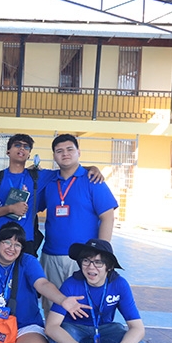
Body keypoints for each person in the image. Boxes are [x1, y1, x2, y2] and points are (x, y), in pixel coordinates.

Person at [45, 239, 147, 343]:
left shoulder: (119, 284)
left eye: (98, 262)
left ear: (109, 266)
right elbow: (51, 327)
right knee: (56, 342)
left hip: (106, 330)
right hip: (75, 329)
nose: (91, 267)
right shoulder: (71, 283)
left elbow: (138, 328)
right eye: (86, 261)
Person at [39, 134, 118, 314]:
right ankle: (53, 333)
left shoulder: (93, 181)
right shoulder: (48, 181)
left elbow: (108, 217)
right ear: (54, 156)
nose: (65, 154)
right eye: (59, 151)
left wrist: (100, 254)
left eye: (70, 149)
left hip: (83, 258)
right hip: (51, 255)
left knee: (83, 306)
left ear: (79, 152)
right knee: (52, 307)